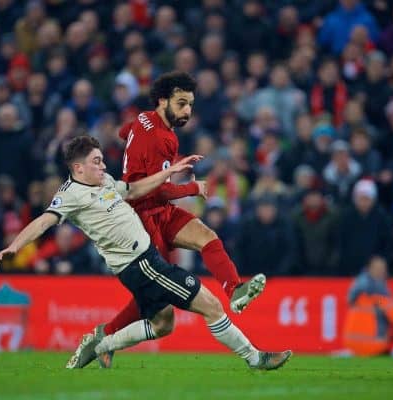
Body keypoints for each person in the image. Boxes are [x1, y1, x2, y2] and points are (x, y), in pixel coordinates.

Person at [0, 136, 291, 370]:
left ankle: (102, 343)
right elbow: (45, 220)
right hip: (141, 265)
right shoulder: (70, 195)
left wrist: (169, 173)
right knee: (211, 306)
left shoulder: (105, 182)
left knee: (163, 324)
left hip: (144, 262)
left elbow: (133, 190)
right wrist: (16, 245)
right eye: (96, 162)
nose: (103, 166)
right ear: (78, 167)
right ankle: (255, 358)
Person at [94, 72, 266, 362]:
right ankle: (105, 335)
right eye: (182, 103)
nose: (187, 111)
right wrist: (192, 188)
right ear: (164, 100)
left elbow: (124, 132)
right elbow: (159, 191)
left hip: (159, 211)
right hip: (142, 219)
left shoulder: (143, 118)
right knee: (156, 303)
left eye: (190, 104)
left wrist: (133, 151)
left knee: (207, 238)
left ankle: (235, 289)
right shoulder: (164, 139)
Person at [342, 255, 393, 356]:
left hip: (352, 346)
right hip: (376, 346)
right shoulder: (380, 294)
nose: (381, 271)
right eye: (378, 268)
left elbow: (349, 299)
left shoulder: (358, 291)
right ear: (369, 269)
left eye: (383, 268)